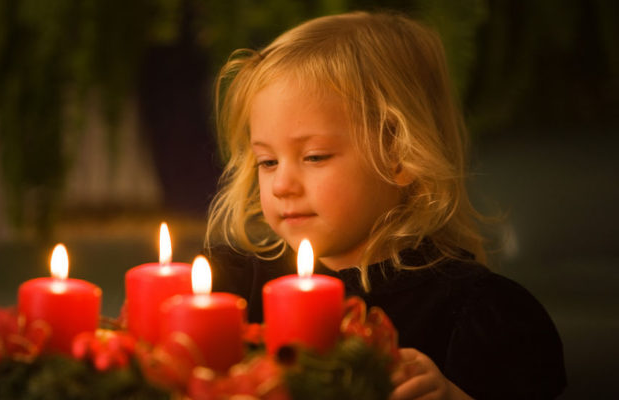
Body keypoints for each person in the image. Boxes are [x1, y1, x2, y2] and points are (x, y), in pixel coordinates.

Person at [203, 10, 566, 400]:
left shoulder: (479, 314)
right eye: (267, 162)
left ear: (400, 155)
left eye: (315, 156)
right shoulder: (229, 293)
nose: (281, 185)